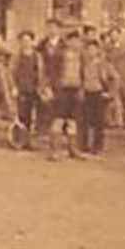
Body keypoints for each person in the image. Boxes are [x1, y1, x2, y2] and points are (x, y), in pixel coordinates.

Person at [46, 28, 83, 160]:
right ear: (67, 41)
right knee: (58, 119)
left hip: (75, 89)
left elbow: (82, 73)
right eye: (73, 40)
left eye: (77, 40)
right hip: (61, 90)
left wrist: (81, 88)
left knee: (73, 121)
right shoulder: (59, 55)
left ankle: (72, 149)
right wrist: (50, 88)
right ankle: (54, 150)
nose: (76, 43)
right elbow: (51, 73)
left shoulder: (81, 55)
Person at [79, 27, 111, 156]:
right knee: (84, 120)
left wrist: (108, 91)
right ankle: (84, 144)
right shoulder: (83, 63)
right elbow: (80, 77)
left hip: (99, 93)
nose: (91, 51)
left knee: (99, 121)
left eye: (94, 49)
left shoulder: (103, 64)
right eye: (89, 49)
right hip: (86, 92)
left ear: (98, 50)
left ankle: (98, 145)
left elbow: (113, 78)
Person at [10, 31, 43, 149]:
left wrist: (40, 87)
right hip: (21, 89)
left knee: (30, 116)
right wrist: (13, 87)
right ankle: (19, 140)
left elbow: (40, 73)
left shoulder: (37, 56)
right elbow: (11, 73)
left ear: (32, 42)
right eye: (23, 41)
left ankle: (28, 140)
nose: (26, 43)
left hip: (33, 89)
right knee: (21, 115)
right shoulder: (17, 56)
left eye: (28, 40)